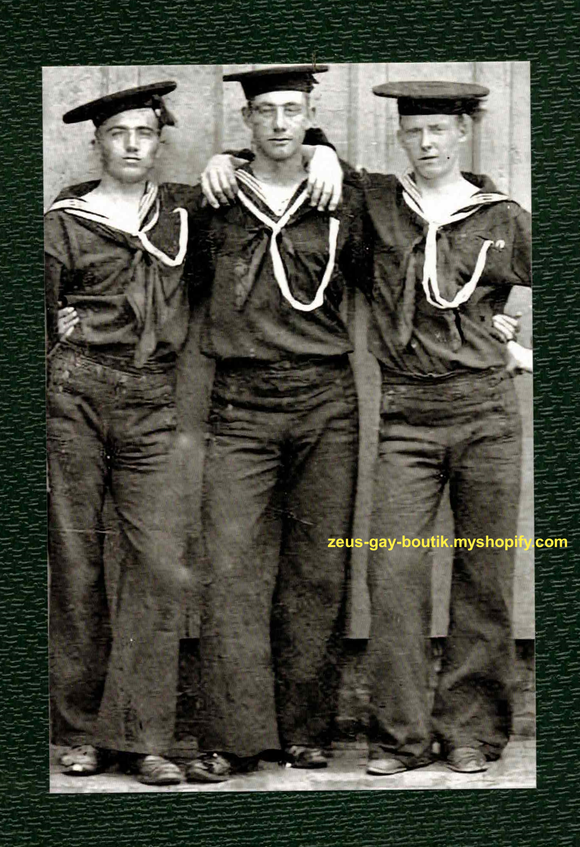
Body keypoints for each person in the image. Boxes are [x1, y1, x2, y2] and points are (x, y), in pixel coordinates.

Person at [185, 65, 370, 783]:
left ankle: (305, 731)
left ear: (311, 113)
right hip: (240, 403)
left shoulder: (343, 193)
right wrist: (216, 167)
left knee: (318, 567)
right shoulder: (215, 197)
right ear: (247, 122)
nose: (280, 124)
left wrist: (330, 153)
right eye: (266, 112)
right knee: (230, 569)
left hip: (326, 400)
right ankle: (233, 738)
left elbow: (443, 197)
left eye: (294, 111)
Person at [353, 81, 532, 776]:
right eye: (414, 131)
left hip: (486, 411)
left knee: (484, 570)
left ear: (463, 132)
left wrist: (515, 345)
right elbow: (311, 171)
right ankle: (398, 736)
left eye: (439, 129)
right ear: (401, 136)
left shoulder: (504, 216)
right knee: (393, 574)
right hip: (407, 415)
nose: (426, 143)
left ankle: (471, 732)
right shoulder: (377, 206)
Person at [46, 81, 196, 786]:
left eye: (144, 132)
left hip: (151, 399)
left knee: (158, 562)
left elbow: (267, 186)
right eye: (118, 133)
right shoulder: (64, 222)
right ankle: (81, 733)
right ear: (97, 143)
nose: (132, 145)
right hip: (76, 391)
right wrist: (56, 329)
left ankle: (144, 737)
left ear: (158, 140)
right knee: (77, 559)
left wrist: (317, 153)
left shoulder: (185, 214)